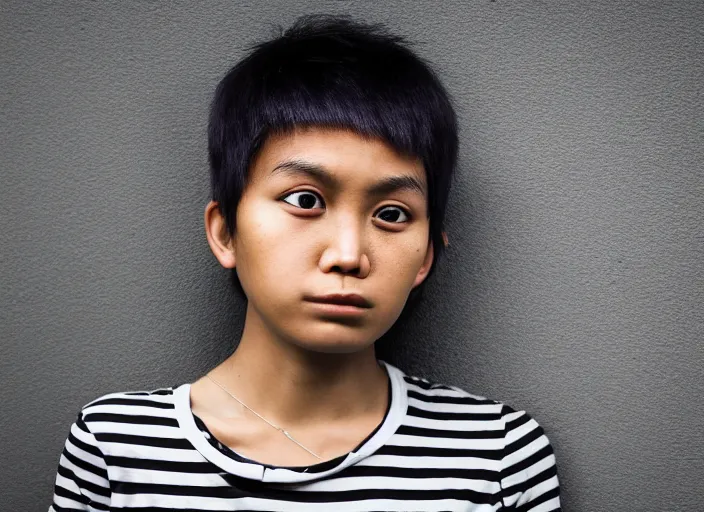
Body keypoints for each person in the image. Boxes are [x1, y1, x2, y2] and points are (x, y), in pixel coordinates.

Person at [49, 14, 561, 511]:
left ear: (426, 255)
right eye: (304, 201)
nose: (347, 255)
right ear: (226, 231)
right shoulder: (117, 451)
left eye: (391, 213)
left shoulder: (497, 455)